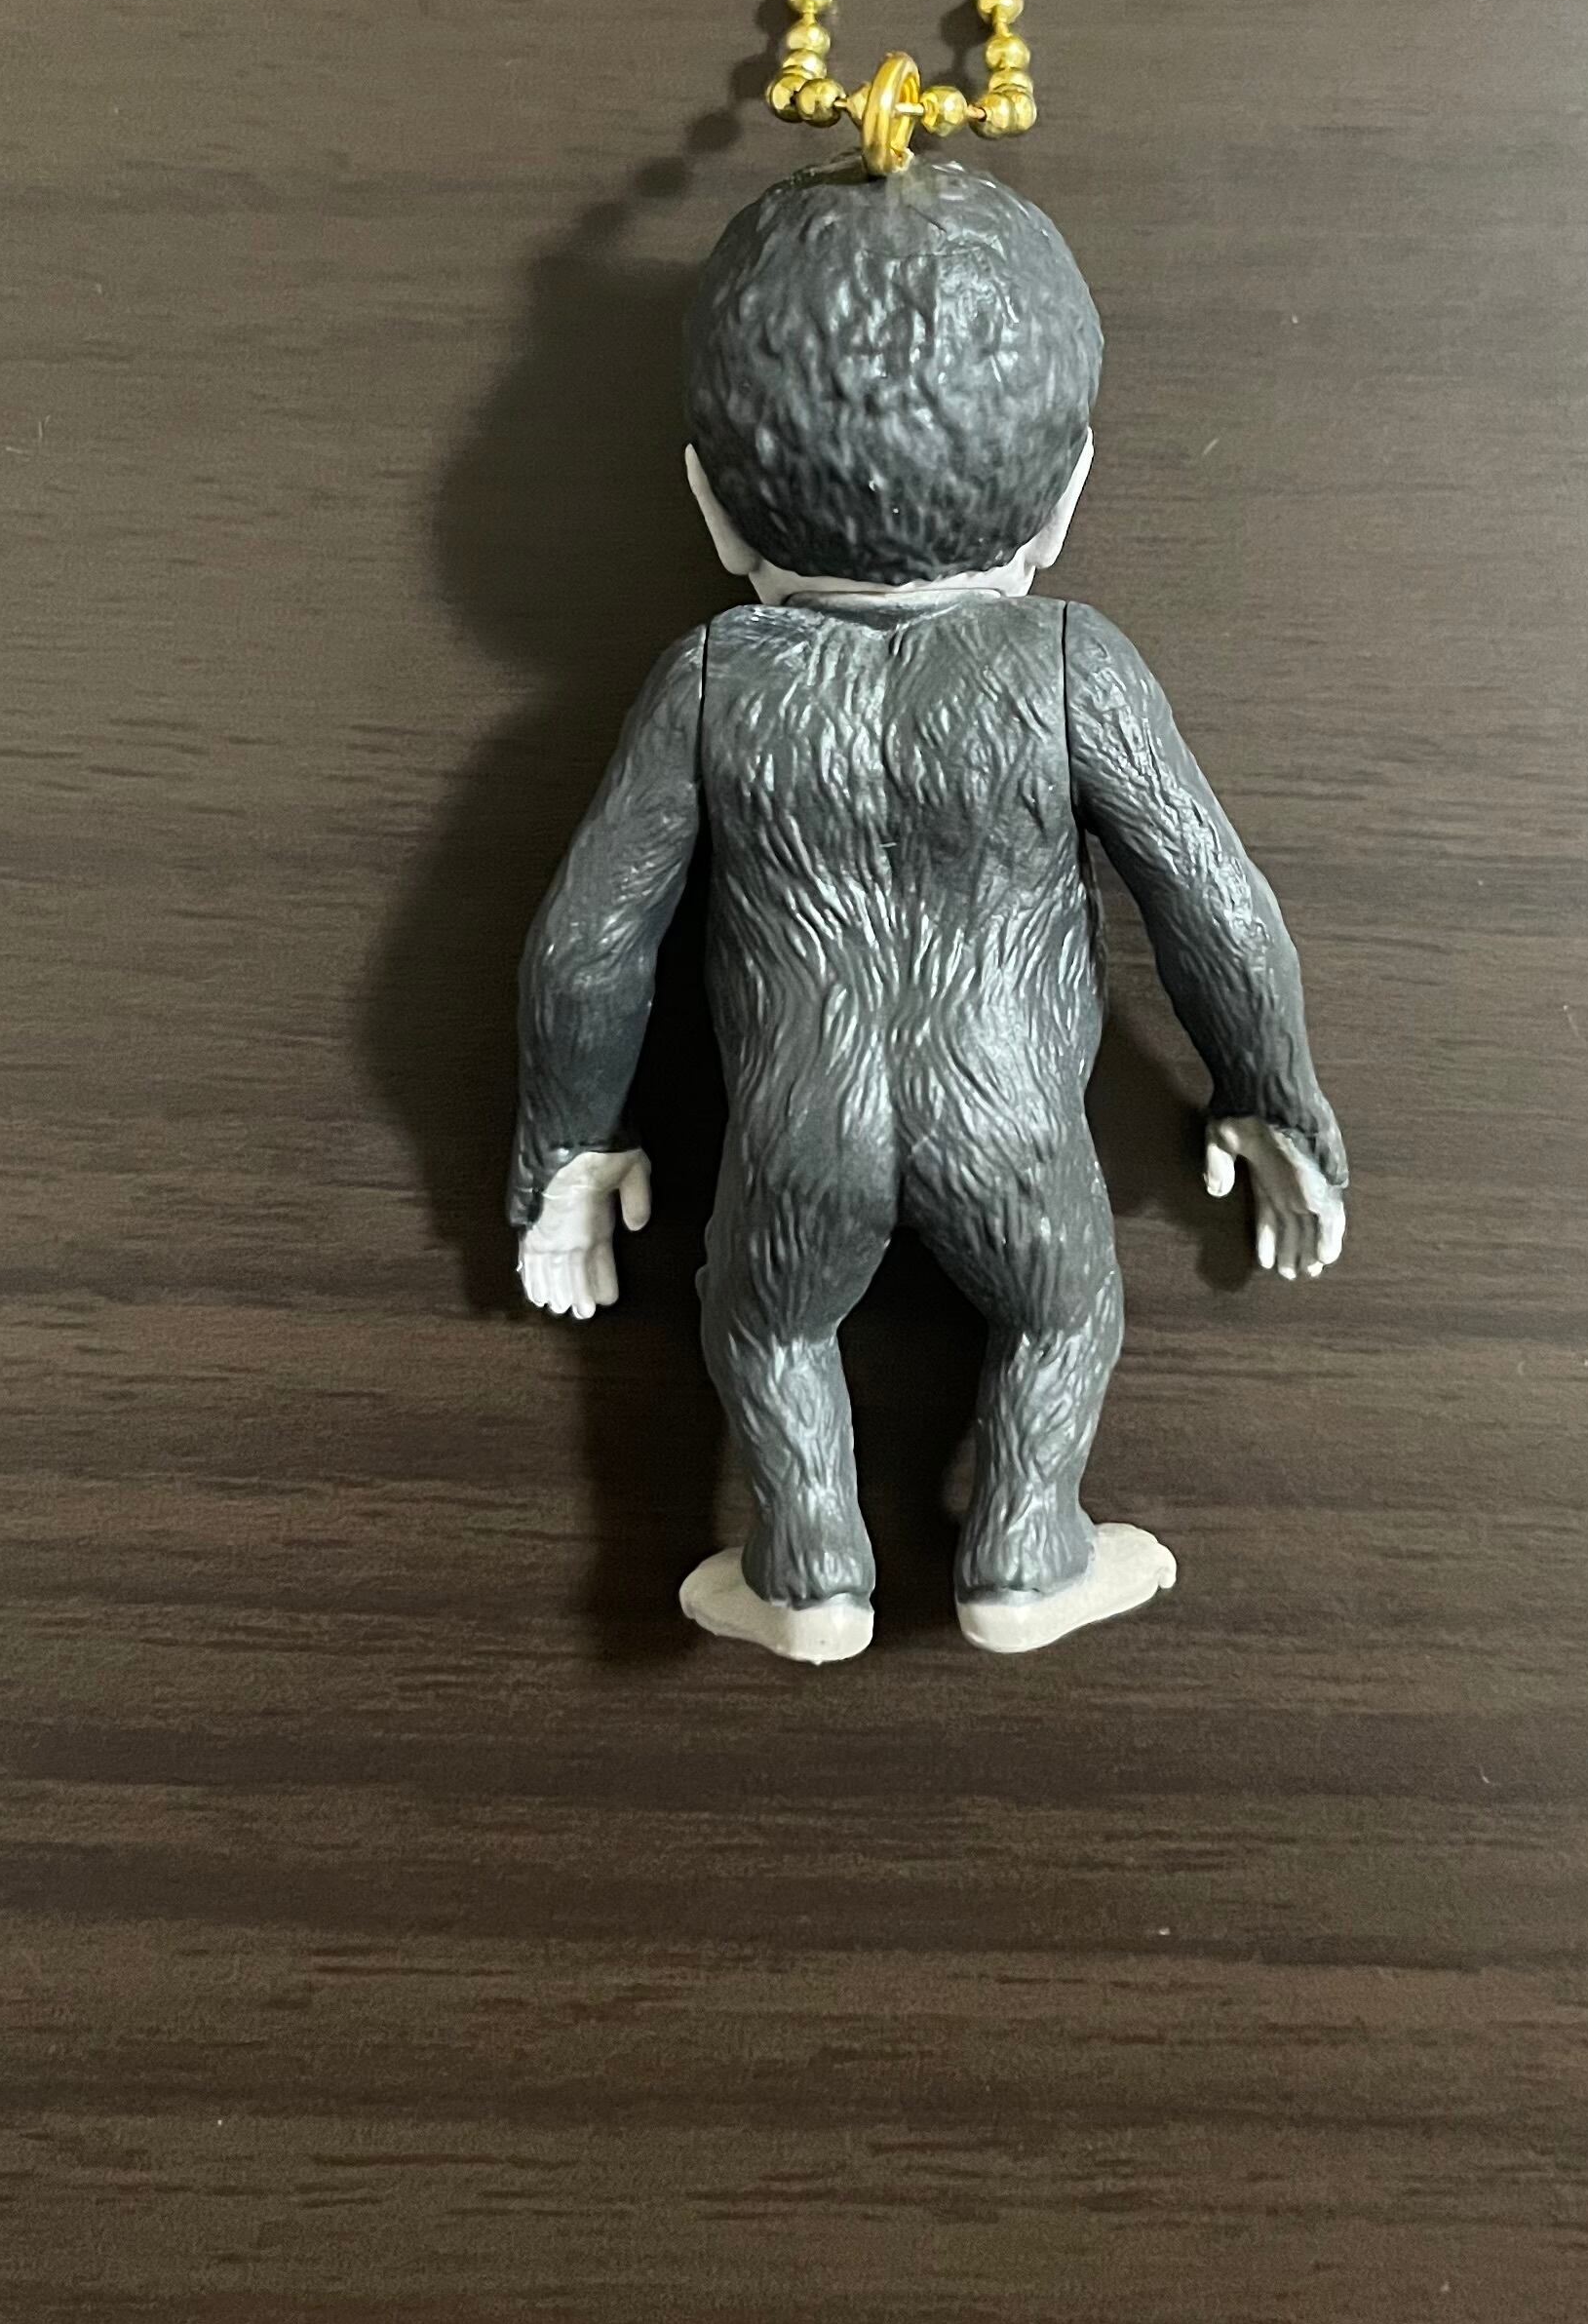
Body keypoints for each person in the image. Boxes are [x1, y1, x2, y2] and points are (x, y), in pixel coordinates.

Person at [510, 153, 1348, 1663]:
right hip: (1010, 1118)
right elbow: (1218, 906)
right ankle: (1027, 1547)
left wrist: (567, 1147)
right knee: (1063, 1315)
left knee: (765, 1324)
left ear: (712, 506)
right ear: (1068, 495)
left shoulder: (712, 683)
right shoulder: (1073, 665)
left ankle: (805, 1565)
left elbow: (587, 947)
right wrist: (1271, 1094)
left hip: (798, 1126)